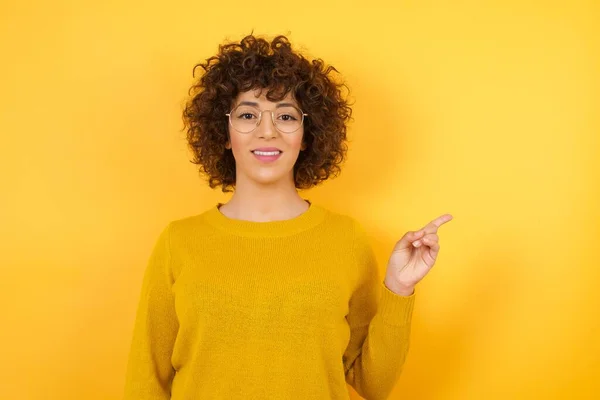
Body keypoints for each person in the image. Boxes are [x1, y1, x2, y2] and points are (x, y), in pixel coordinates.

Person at [123, 33, 453, 400]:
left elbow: (373, 385)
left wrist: (399, 288)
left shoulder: (347, 239)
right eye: (248, 114)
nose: (268, 131)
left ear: (306, 134)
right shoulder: (179, 241)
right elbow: (145, 381)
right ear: (225, 133)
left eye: (285, 115)